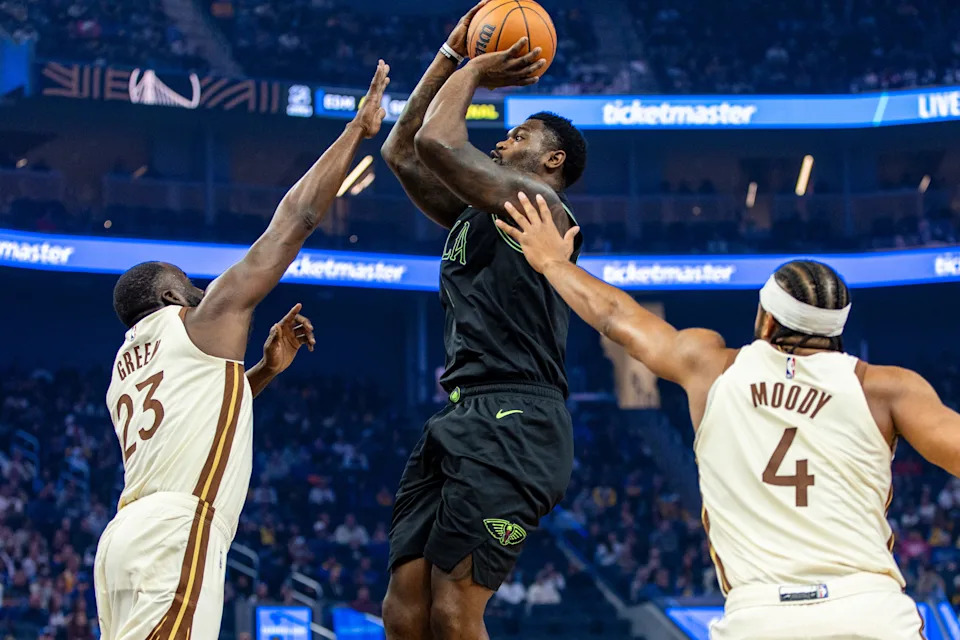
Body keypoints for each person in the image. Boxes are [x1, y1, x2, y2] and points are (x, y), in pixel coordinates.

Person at [495, 192, 955, 639]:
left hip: (761, 616)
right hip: (869, 610)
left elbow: (618, 318)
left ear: (766, 320)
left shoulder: (711, 367)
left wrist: (553, 262)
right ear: (837, 327)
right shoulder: (886, 389)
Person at [92, 62, 391, 640]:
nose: (203, 289)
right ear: (168, 294)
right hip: (175, 532)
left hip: (126, 539)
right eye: (189, 282)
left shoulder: (124, 371)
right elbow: (294, 221)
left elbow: (193, 417)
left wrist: (262, 373)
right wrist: (357, 130)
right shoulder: (199, 320)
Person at [379, 3, 588, 638]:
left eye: (520, 135)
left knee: (454, 605)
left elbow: (439, 142)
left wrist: (476, 65)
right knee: (405, 607)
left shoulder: (542, 206)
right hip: (464, 412)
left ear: (552, 161)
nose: (504, 139)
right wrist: (448, 52)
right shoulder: (480, 212)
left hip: (519, 417)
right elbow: (402, 147)